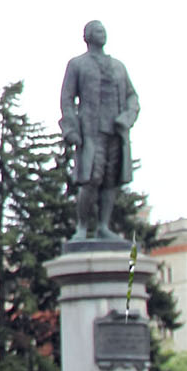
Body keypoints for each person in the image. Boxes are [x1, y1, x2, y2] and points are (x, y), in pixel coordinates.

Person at [59, 20, 139, 241]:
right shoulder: (77, 64)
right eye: (96, 30)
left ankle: (104, 226)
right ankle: (83, 227)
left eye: (103, 30)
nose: (101, 33)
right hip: (91, 133)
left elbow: (132, 97)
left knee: (110, 180)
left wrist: (127, 117)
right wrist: (72, 128)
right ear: (87, 36)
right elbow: (67, 99)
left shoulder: (119, 67)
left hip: (115, 132)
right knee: (91, 180)